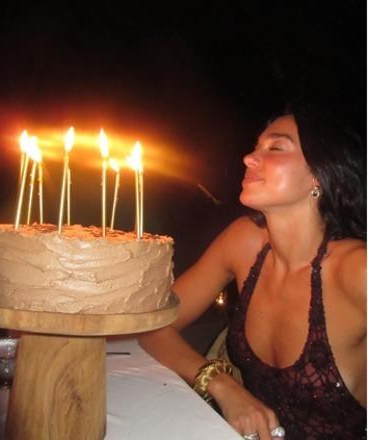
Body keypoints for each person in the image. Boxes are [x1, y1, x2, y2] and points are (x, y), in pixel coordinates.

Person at [139, 104, 366, 440]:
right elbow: (151, 325)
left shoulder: (357, 269)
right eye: (256, 146)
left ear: (319, 175)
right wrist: (222, 385)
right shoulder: (244, 242)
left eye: (276, 147)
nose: (248, 158)